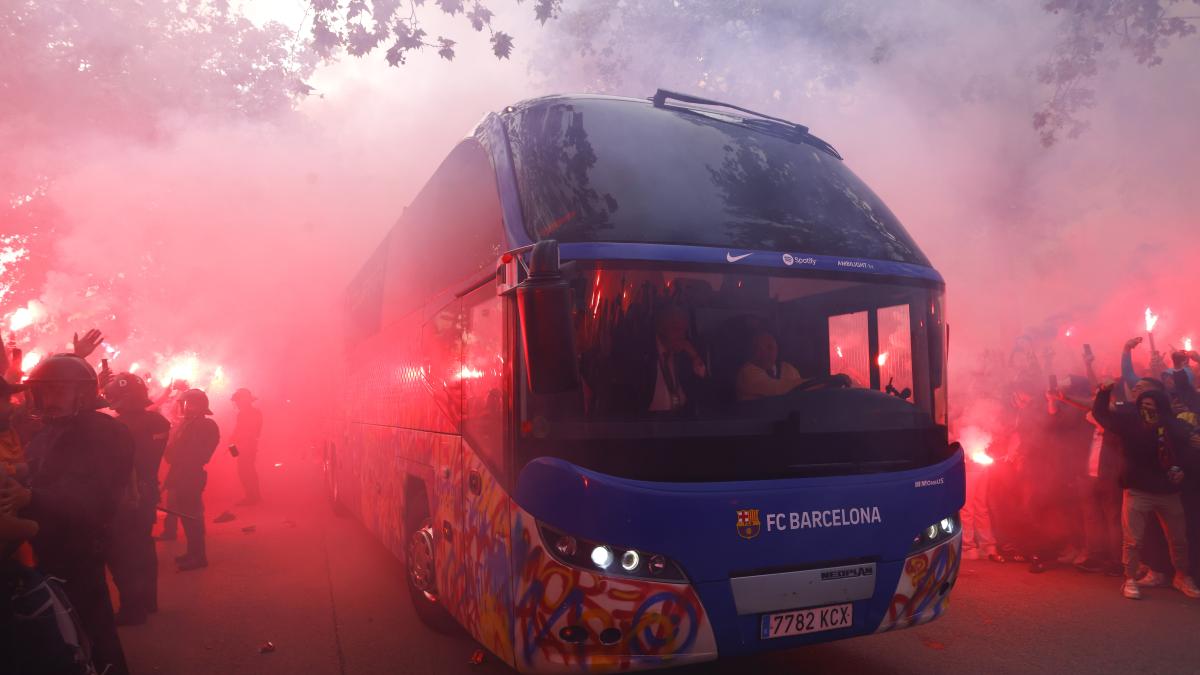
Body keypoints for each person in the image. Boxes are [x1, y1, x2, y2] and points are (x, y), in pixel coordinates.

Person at [0, 353, 134, 674]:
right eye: (45, 391)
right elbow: (40, 466)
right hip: (48, 550)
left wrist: (31, 496)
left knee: (94, 630)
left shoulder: (105, 433)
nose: (49, 399)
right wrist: (14, 471)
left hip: (79, 551)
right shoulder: (51, 429)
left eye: (59, 390)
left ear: (84, 394)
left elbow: (93, 499)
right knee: (65, 633)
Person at [1093, 381, 1200, 600]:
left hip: (1169, 492)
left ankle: (1181, 576)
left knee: (1178, 539)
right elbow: (1101, 414)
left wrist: (1184, 472)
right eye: (1144, 405)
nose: (1147, 410)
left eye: (1152, 406)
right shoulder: (1130, 423)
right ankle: (1130, 579)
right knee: (1133, 540)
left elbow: (1189, 452)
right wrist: (1104, 392)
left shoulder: (1175, 426)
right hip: (1138, 490)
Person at [104, 372, 171, 625]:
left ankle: (134, 609)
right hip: (149, 488)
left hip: (127, 494)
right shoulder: (159, 422)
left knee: (126, 551)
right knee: (144, 545)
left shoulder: (118, 427)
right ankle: (149, 601)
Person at [159, 389, 219, 571]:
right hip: (181, 472)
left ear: (198, 405)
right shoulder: (188, 424)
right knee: (186, 516)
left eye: (187, 404)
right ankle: (193, 552)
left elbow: (197, 452)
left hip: (190, 473)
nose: (184, 408)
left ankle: (198, 556)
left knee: (192, 516)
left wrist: (174, 453)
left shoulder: (205, 425)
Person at [736, 331, 809, 401]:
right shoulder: (746, 373)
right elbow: (775, 389)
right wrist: (812, 382)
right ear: (752, 351)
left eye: (770, 347)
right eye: (757, 348)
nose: (764, 352)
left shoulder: (788, 368)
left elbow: (803, 394)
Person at [230, 388, 263, 506]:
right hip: (243, 446)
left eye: (238, 401)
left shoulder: (254, 413)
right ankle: (253, 496)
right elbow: (238, 429)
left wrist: (239, 440)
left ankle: (253, 497)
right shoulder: (243, 414)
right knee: (245, 471)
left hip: (248, 446)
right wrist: (232, 441)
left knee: (246, 471)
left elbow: (253, 431)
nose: (237, 404)